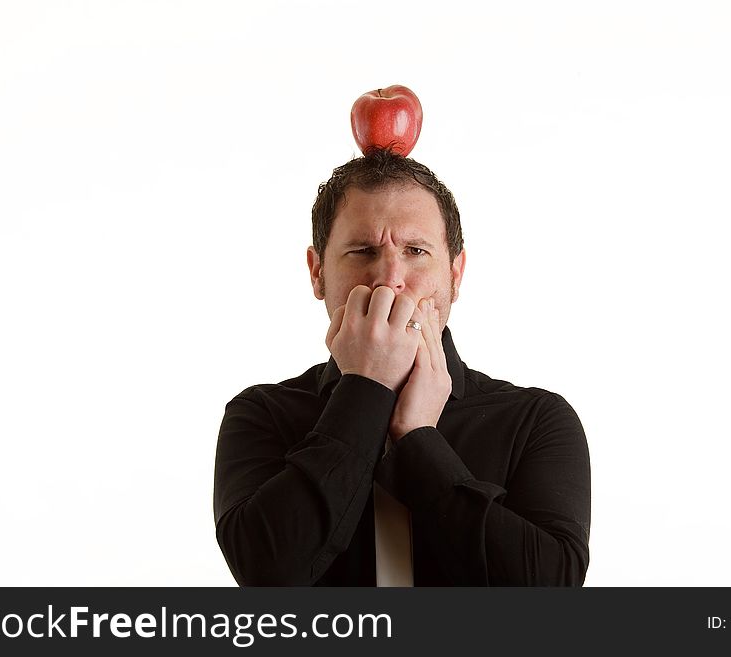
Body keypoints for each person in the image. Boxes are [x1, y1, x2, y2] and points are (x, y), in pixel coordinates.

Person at [213, 148, 590, 586]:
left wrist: (417, 441)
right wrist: (366, 387)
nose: (390, 278)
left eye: (415, 250)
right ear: (317, 273)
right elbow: (266, 577)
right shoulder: (261, 414)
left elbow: (549, 596)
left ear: (455, 273)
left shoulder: (536, 420)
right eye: (362, 251)